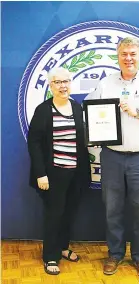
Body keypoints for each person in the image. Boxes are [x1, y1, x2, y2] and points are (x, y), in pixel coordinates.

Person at [84, 37, 139, 279]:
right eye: (124, 53)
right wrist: (94, 130)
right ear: (118, 56)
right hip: (112, 157)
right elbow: (89, 110)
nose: (128, 58)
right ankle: (114, 254)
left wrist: (138, 112)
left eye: (133, 53)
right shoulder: (106, 83)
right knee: (112, 209)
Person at [28, 67, 90, 275]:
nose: (63, 86)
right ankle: (50, 257)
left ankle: (63, 248)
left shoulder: (77, 107)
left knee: (69, 213)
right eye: (57, 82)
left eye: (66, 81)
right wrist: (40, 173)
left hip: (76, 173)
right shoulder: (44, 110)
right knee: (54, 214)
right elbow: (34, 143)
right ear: (50, 86)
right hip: (53, 174)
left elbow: (82, 138)